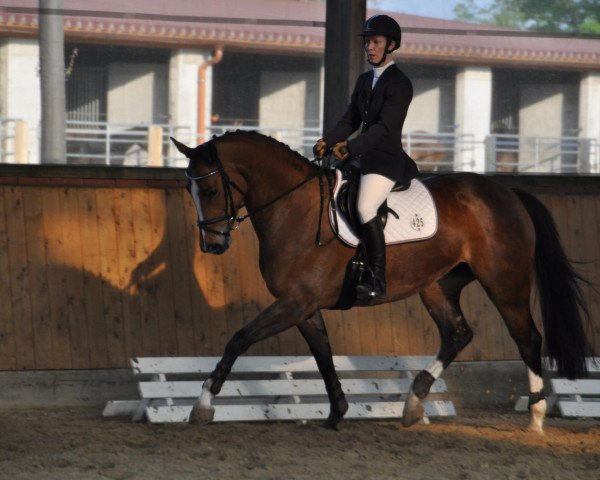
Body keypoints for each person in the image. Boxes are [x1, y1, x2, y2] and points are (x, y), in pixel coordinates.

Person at [314, 14, 419, 301]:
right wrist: (329, 139)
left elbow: (385, 129)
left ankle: (377, 278)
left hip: (385, 160)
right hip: (360, 156)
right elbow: (350, 119)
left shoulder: (400, 84)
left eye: (376, 42)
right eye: (367, 42)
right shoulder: (364, 81)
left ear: (391, 45)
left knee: (365, 207)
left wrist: (350, 148)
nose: (370, 47)